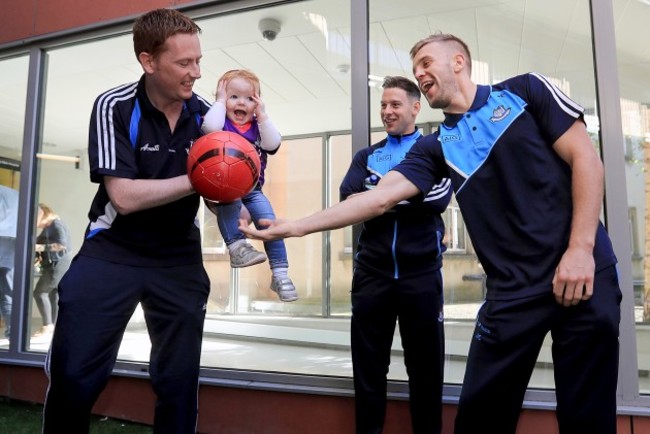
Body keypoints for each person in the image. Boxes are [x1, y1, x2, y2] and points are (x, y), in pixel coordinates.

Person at [240, 33, 621, 434]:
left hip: (583, 273)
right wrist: (296, 226)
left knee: (587, 418)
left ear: (458, 61)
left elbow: (587, 161)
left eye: (425, 62)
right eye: (415, 68)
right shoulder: (435, 148)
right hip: (512, 292)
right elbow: (377, 199)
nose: (419, 73)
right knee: (478, 420)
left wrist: (580, 249)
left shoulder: (524, 90)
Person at [42, 9, 211, 434]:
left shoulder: (208, 115)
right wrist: (201, 177)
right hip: (112, 252)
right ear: (148, 61)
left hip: (178, 259)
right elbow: (126, 197)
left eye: (198, 61)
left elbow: (228, 187)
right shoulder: (114, 106)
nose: (196, 73)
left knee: (178, 382)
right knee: (75, 375)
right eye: (184, 63)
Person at [340, 75, 451, 434]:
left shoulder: (437, 150)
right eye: (383, 105)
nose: (387, 111)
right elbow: (348, 200)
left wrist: (378, 199)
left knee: (426, 372)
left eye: (395, 105)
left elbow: (438, 199)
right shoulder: (367, 155)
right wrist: (402, 198)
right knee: (370, 370)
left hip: (421, 278)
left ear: (415, 108)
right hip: (373, 277)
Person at [201, 69, 298, 302]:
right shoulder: (221, 123)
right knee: (230, 203)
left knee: (268, 222)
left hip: (253, 189)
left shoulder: (257, 126)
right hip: (225, 186)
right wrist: (220, 102)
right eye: (233, 97)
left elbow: (273, 143)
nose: (240, 103)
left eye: (249, 98)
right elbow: (209, 128)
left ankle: (280, 273)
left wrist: (263, 116)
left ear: (257, 102)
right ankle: (237, 247)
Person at [32, 203, 72, 340]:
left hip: (58, 264)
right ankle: (53, 327)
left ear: (43, 213)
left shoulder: (56, 224)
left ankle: (47, 326)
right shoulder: (49, 226)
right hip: (54, 264)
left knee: (40, 292)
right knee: (52, 294)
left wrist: (38, 247)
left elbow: (61, 245)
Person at [0, 185, 18, 342]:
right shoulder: (16, 194)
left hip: (2, 239)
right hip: (13, 242)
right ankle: (13, 331)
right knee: (8, 290)